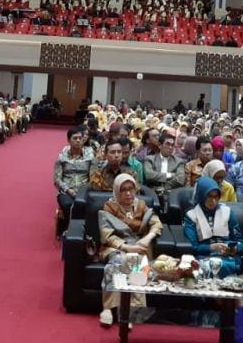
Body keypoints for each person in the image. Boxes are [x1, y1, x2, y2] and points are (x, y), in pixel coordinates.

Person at [97, 173, 163, 326]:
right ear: (116, 191)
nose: (128, 193)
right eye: (123, 190)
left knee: (139, 266)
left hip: (139, 247)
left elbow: (156, 223)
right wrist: (128, 247)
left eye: (131, 189)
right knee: (116, 264)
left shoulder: (141, 205)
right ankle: (109, 308)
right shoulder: (109, 207)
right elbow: (107, 236)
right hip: (117, 246)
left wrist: (147, 238)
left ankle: (132, 311)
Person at [182, 176, 243, 278]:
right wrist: (212, 247)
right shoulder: (191, 216)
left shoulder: (227, 212)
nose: (213, 201)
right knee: (209, 265)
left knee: (228, 264)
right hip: (204, 256)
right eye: (210, 196)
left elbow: (241, 243)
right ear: (201, 195)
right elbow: (193, 247)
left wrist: (234, 249)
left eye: (216, 197)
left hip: (228, 256)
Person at [53, 126, 94, 220]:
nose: (78, 141)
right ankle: (67, 229)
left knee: (86, 205)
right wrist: (68, 190)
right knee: (68, 205)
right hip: (66, 191)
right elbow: (57, 180)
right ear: (68, 140)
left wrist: (83, 190)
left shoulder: (90, 157)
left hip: (85, 190)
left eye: (80, 138)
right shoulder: (61, 158)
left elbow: (93, 178)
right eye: (75, 138)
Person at [143, 133, 186, 198]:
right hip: (152, 194)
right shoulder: (150, 159)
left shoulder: (179, 161)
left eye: (172, 145)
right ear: (160, 145)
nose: (170, 147)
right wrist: (170, 175)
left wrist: (163, 187)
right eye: (167, 144)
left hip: (171, 194)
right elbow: (149, 175)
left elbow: (180, 180)